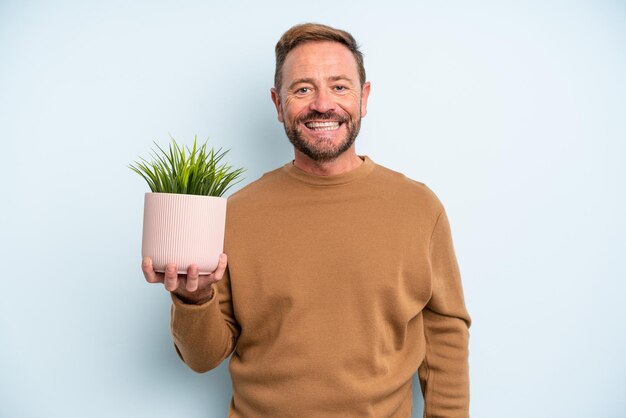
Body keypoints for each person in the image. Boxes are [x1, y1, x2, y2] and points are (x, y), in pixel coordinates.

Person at [142, 23, 471, 418]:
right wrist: (193, 299)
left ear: (363, 98)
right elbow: (203, 358)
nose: (322, 104)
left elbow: (445, 334)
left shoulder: (419, 207)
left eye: (339, 86)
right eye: (302, 89)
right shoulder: (236, 213)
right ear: (278, 105)